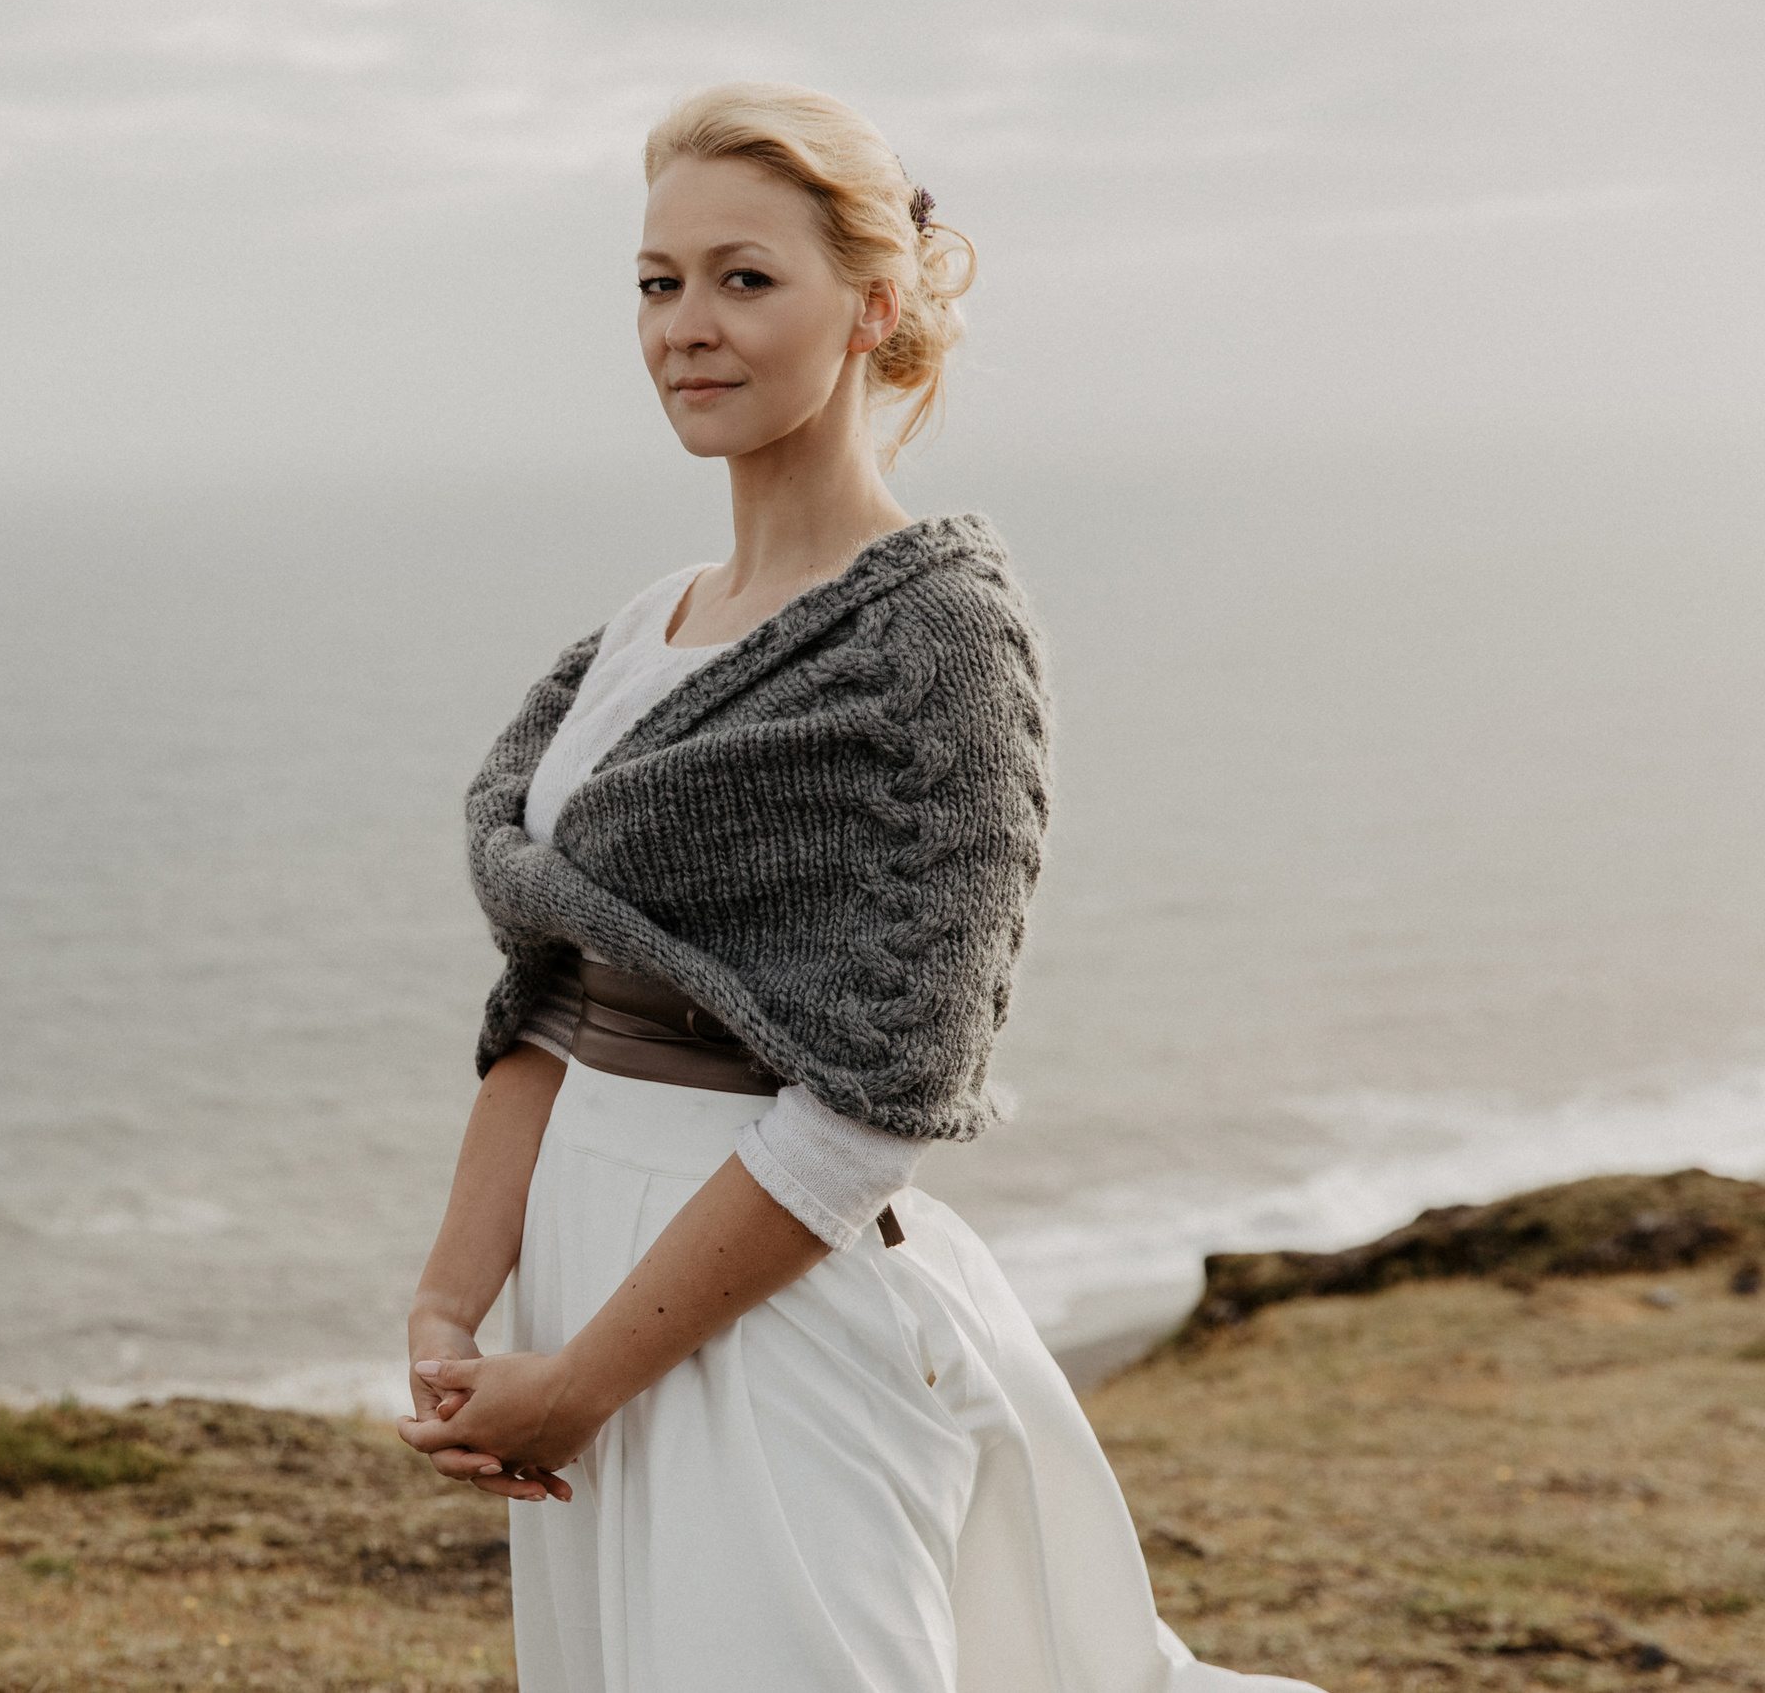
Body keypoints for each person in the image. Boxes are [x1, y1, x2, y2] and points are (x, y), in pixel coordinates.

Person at [395, 83, 1326, 1693]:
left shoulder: (938, 641)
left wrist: (592, 1378)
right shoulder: (642, 632)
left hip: (763, 1321)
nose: (686, 325)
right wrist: (451, 1309)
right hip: (577, 1298)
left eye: (745, 279)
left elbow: (887, 1088)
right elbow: (549, 997)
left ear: (876, 306)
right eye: (656, 280)